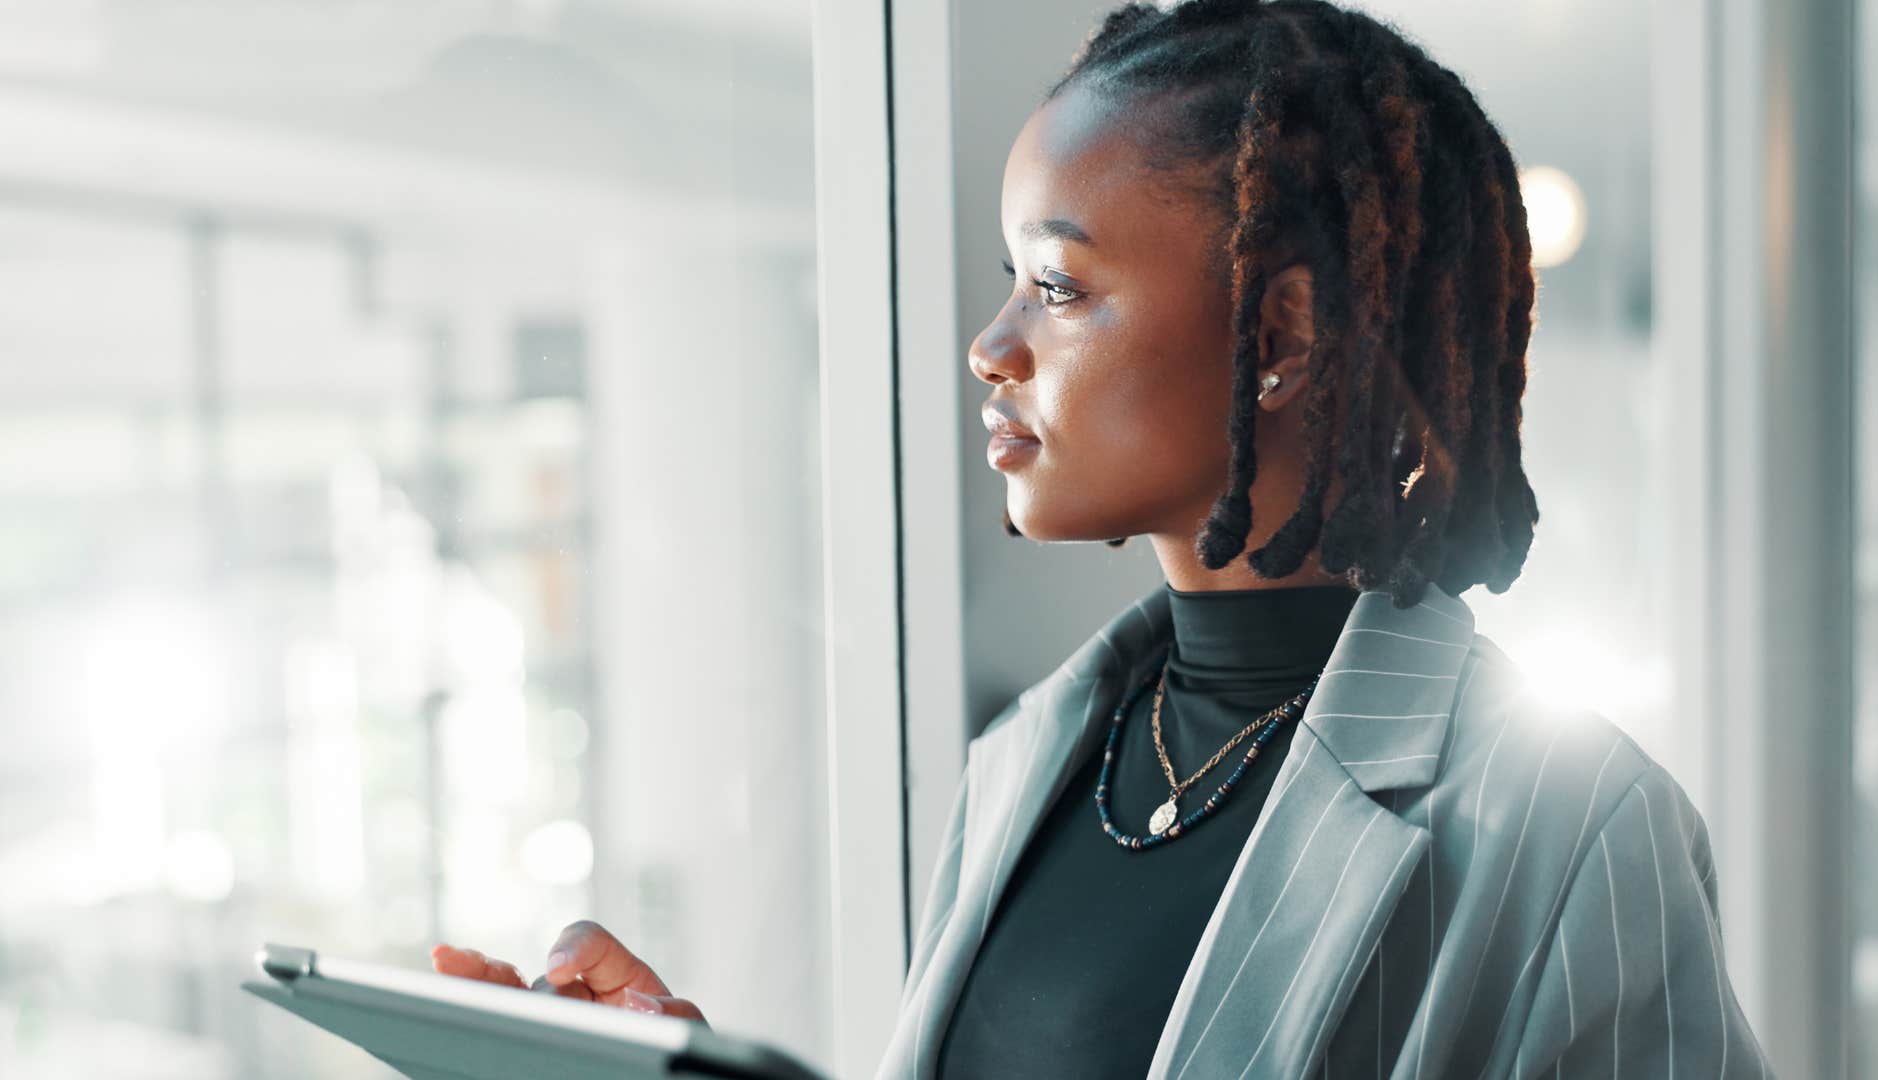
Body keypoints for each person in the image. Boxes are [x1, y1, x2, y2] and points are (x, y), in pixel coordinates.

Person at [432, 0, 1775, 1075]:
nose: (990, 344)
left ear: (1282, 335)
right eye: (1008, 279)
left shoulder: (1573, 826)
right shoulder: (1029, 763)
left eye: (1058, 286)